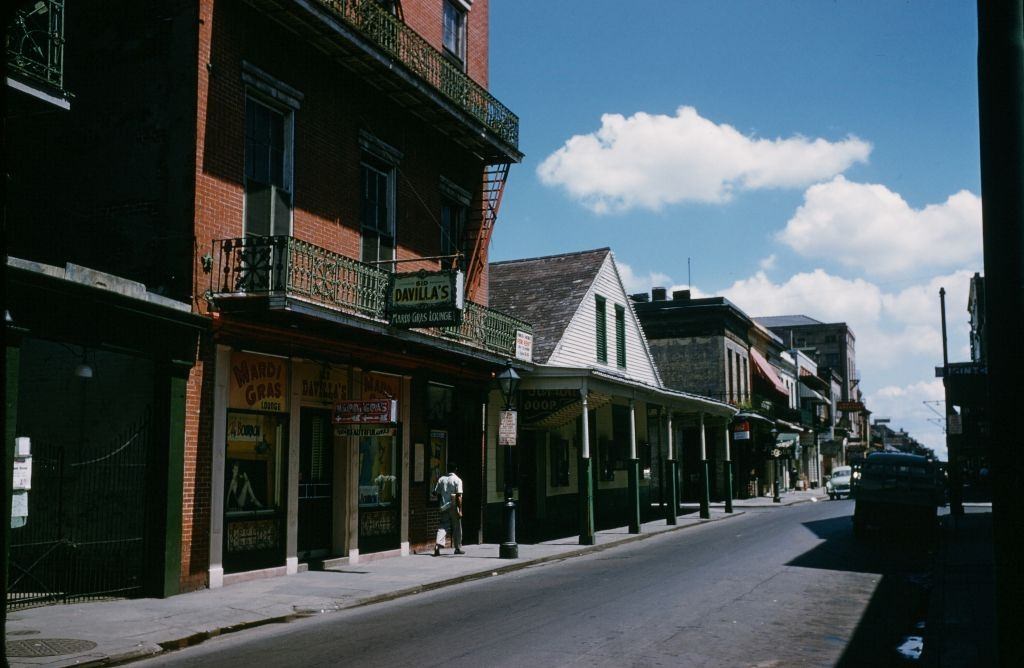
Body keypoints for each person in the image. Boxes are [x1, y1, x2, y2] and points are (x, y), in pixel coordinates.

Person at [433, 462, 464, 556]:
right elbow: (459, 496)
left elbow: (435, 493)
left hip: (444, 506)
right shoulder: (457, 480)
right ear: (456, 469)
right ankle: (457, 548)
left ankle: (438, 544)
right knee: (457, 527)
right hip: (453, 506)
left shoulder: (441, 479)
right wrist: (460, 510)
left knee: (443, 526)